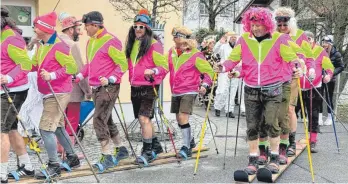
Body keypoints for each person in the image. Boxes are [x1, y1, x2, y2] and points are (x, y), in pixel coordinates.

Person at [216, 7, 302, 175]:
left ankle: (275, 158)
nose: (255, 28)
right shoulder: (244, 40)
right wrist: (223, 67)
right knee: (253, 126)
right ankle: (253, 160)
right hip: (251, 89)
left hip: (273, 89)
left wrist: (300, 68)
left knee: (271, 124)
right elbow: (233, 60)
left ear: (267, 23)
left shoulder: (279, 39)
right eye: (252, 24)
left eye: (259, 24)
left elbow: (292, 58)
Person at [74, 11, 128, 170]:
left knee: (98, 119)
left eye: (87, 25)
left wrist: (111, 78)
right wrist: (77, 77)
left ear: (95, 25)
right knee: (107, 118)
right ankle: (121, 149)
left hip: (108, 86)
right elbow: (90, 65)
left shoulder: (110, 41)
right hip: (96, 87)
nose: (85, 29)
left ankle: (107, 156)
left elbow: (123, 64)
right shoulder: (91, 42)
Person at [31, 11, 80, 179]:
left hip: (57, 92)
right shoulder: (43, 44)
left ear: (44, 29)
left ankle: (54, 165)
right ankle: (72, 157)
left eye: (35, 27)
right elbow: (34, 66)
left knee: (45, 128)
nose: (34, 29)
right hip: (49, 92)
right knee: (57, 126)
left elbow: (72, 68)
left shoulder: (58, 45)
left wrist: (51, 76)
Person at [266, 7, 316, 160]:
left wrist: (309, 69)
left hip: (292, 77)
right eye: (278, 24)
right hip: (272, 78)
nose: (281, 28)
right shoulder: (270, 36)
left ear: (291, 23)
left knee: (289, 110)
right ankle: (276, 142)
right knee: (273, 112)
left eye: (284, 25)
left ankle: (291, 143)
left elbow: (309, 57)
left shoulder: (300, 36)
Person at [125, 9, 167, 164]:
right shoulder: (133, 44)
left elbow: (163, 66)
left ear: (147, 29)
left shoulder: (154, 45)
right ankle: (156, 146)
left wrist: (154, 70)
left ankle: (147, 152)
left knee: (144, 118)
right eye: (135, 26)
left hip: (149, 86)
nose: (137, 29)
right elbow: (127, 64)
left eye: (141, 26)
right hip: (135, 86)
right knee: (144, 118)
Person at [1, 5, 35, 183]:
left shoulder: (11, 39)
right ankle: (27, 166)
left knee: (1, 131)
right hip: (7, 89)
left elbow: (25, 64)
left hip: (14, 90)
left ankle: (2, 173)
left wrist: (8, 77)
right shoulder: (3, 36)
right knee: (11, 129)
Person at [168, 26, 214, 158]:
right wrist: (154, 73)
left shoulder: (195, 54)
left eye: (175, 36)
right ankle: (191, 140)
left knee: (183, 117)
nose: (173, 38)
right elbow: (165, 67)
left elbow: (208, 72)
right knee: (179, 119)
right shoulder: (172, 52)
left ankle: (186, 147)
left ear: (183, 38)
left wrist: (205, 84)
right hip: (175, 90)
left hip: (189, 89)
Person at [57, 12, 91, 153]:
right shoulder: (72, 45)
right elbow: (79, 70)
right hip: (72, 90)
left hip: (57, 89)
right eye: (77, 30)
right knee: (71, 121)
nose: (79, 33)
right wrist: (88, 90)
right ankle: (69, 152)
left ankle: (60, 148)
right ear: (70, 30)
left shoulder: (54, 42)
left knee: (59, 120)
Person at [299, 31, 334, 152]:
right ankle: (288, 141)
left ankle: (313, 140)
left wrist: (328, 75)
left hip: (314, 86)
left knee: (313, 114)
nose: (307, 41)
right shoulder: (297, 48)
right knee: (290, 113)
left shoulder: (320, 51)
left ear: (313, 39)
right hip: (297, 86)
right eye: (305, 39)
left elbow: (329, 67)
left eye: (309, 39)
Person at [213, 31, 239, 118]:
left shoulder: (238, 47)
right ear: (228, 38)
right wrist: (220, 42)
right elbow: (215, 50)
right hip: (224, 70)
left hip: (234, 71)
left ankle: (229, 110)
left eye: (235, 37)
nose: (233, 38)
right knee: (222, 90)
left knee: (232, 91)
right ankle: (218, 107)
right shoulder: (223, 46)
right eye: (231, 37)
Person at [321, 35, 345, 126]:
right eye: (323, 42)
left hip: (331, 79)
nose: (324, 44)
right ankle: (319, 117)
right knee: (319, 97)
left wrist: (331, 74)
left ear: (330, 44)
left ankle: (330, 117)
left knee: (329, 97)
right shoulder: (320, 52)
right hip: (320, 78)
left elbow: (341, 66)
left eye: (326, 43)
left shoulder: (336, 54)